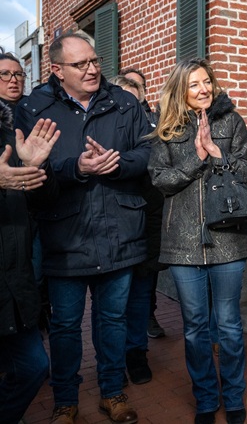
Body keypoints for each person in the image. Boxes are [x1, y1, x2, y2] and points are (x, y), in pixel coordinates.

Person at [15, 33, 152, 424]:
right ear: (57, 70)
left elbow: (148, 151)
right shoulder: (35, 108)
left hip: (119, 232)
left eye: (95, 60)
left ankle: (112, 392)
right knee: (64, 326)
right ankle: (65, 401)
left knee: (113, 321)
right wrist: (75, 168)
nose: (92, 69)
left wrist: (117, 163)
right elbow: (31, 172)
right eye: (81, 64)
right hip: (66, 236)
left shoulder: (124, 102)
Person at [147, 58, 247, 424]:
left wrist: (219, 154)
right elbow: (160, 180)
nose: (203, 89)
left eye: (207, 81)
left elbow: (246, 170)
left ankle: (234, 397)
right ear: (181, 89)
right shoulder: (167, 128)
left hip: (228, 238)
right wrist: (197, 157)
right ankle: (206, 398)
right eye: (194, 84)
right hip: (183, 241)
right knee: (194, 328)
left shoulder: (231, 121)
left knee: (229, 326)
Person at [0, 102, 60, 424]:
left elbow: (43, 202)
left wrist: (36, 168)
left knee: (33, 368)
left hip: (14, 286)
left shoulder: (9, 135)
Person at [120, 67, 167, 339]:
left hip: (151, 207)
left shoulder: (155, 122)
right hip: (123, 209)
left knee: (148, 272)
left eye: (137, 87)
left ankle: (148, 316)